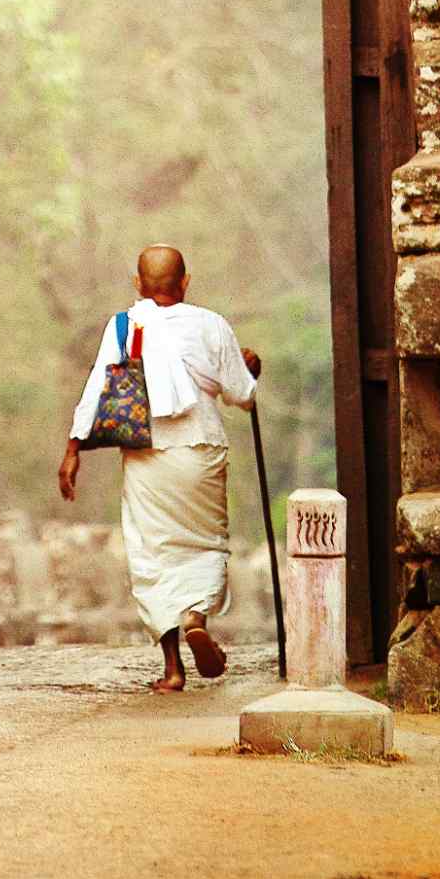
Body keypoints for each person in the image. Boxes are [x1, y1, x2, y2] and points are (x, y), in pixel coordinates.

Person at [58, 243, 262, 693]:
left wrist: (73, 449)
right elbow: (242, 396)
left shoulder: (125, 327)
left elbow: (96, 389)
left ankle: (173, 670)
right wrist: (252, 368)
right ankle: (196, 616)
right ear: (185, 282)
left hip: (146, 453)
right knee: (206, 543)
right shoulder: (212, 325)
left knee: (152, 554)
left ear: (138, 284)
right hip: (201, 450)